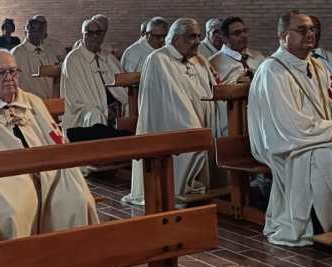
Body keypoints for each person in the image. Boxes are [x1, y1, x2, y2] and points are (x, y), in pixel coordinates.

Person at [0, 49, 123, 267]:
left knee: (78, 200)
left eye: (13, 71)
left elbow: (54, 140)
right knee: (13, 211)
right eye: (0, 73)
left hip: (46, 172)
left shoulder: (32, 102)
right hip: (4, 180)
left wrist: (49, 168)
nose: (8, 78)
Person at [248, 11, 332, 246]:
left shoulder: (318, 65)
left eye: (311, 29)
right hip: (286, 143)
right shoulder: (272, 70)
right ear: (283, 36)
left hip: (320, 135)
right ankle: (324, 226)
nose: (310, 34)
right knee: (327, 157)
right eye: (301, 30)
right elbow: (290, 125)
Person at [124, 19, 218, 206]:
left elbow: (213, 88)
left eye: (199, 36)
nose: (198, 41)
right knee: (192, 140)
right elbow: (170, 99)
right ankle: (180, 187)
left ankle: (198, 186)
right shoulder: (159, 59)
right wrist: (192, 127)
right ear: (176, 39)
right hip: (170, 122)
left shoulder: (199, 59)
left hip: (200, 118)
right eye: (192, 36)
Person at [61, 15, 130, 142]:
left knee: (132, 109)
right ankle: (100, 160)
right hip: (85, 112)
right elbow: (77, 99)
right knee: (95, 115)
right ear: (83, 35)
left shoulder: (108, 57)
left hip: (115, 108)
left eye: (98, 33)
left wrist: (121, 103)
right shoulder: (73, 59)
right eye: (90, 33)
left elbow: (124, 88)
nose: (95, 36)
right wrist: (105, 110)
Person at [11, 15, 67, 100]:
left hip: (49, 101)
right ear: (26, 31)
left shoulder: (50, 51)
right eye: (33, 29)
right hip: (27, 102)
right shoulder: (16, 53)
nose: (36, 33)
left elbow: (57, 76)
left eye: (39, 30)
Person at [209, 17, 266, 84]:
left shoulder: (259, 57)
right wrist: (235, 84)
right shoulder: (213, 63)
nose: (244, 35)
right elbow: (211, 91)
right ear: (225, 38)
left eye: (244, 31)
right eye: (237, 33)